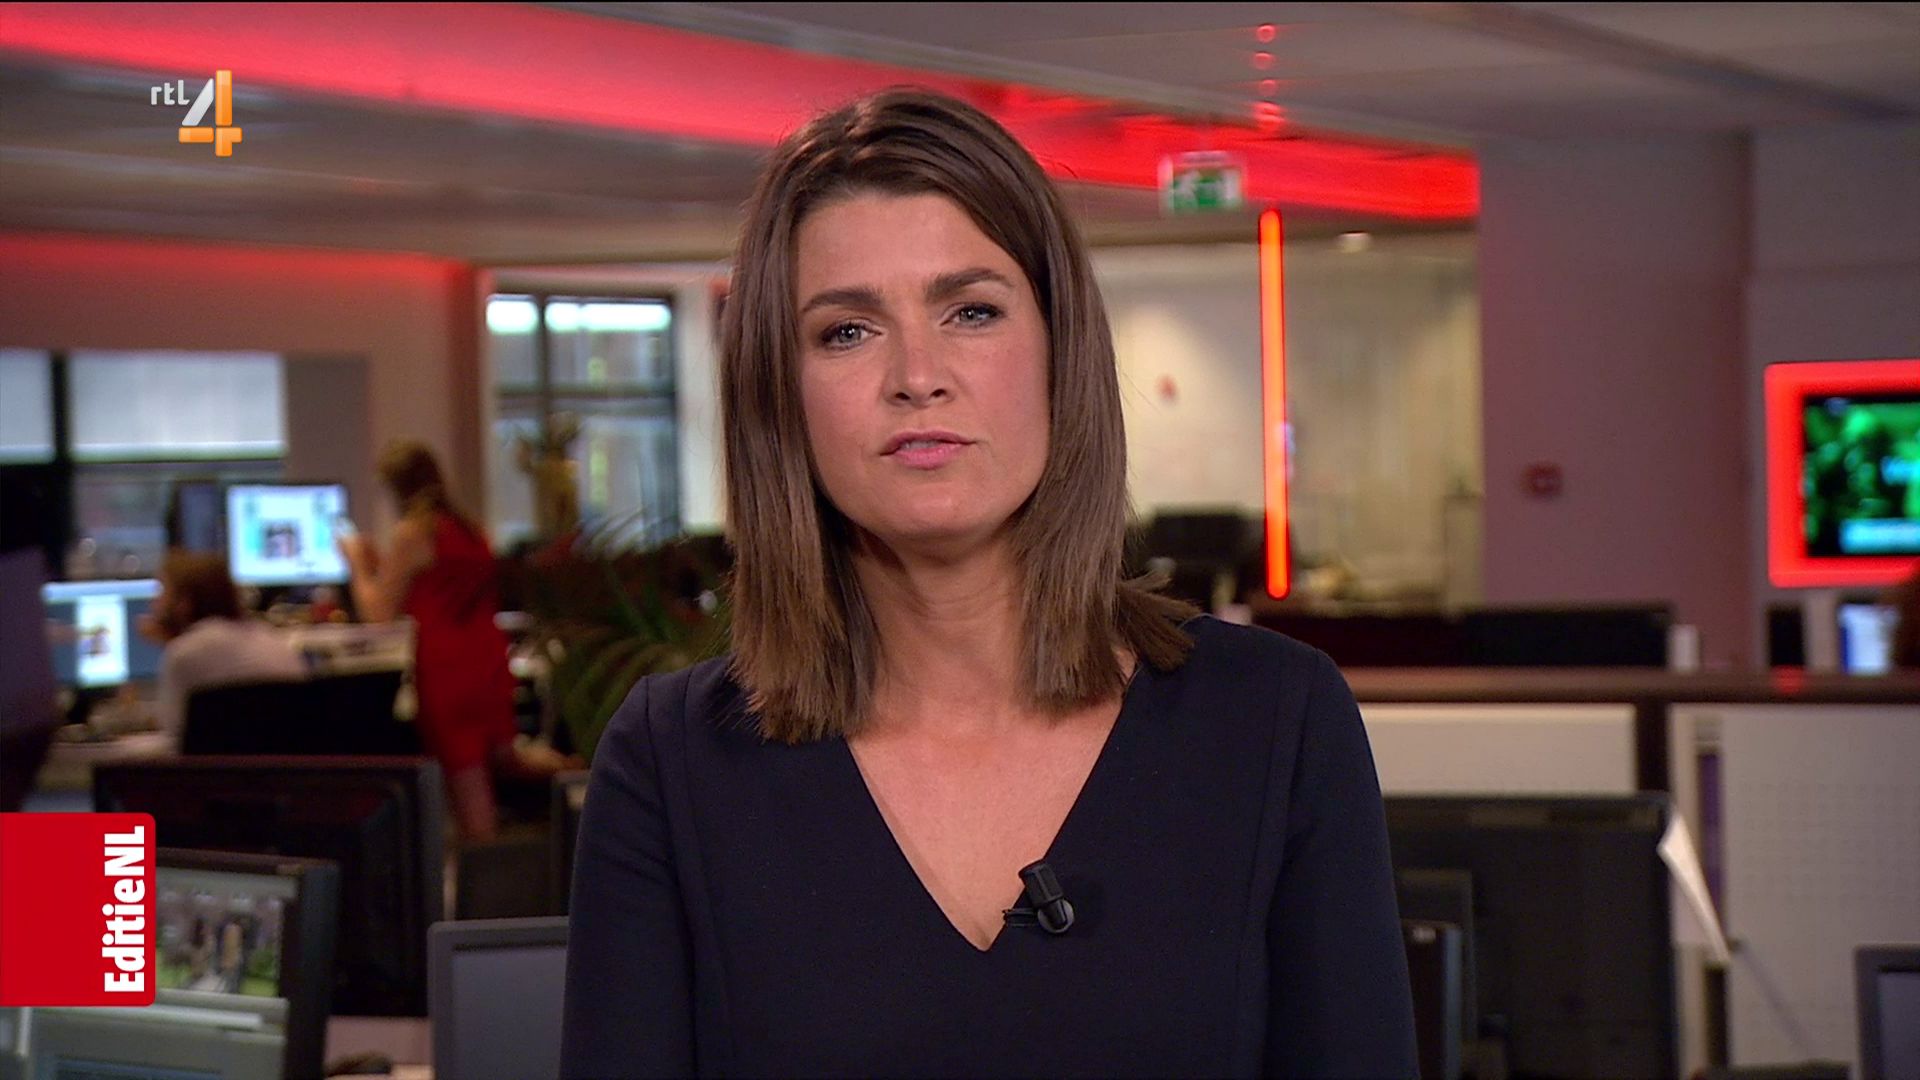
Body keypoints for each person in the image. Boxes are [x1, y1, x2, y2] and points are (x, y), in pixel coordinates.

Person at [561, 89, 1416, 1078]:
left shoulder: (1275, 719)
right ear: (779, 394)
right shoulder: (672, 762)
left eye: (971, 312)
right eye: (847, 331)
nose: (917, 375)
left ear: (1059, 351)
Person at [341, 441, 577, 842]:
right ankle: (582, 776)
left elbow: (378, 612)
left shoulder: (414, 533)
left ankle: (483, 871)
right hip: (488, 659)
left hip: (447, 670)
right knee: (506, 758)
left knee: (469, 788)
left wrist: (357, 564)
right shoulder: (468, 529)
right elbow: (439, 587)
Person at [148, 551, 306, 749]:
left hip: (215, 767)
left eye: (162, 593)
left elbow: (175, 738)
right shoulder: (273, 639)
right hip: (285, 764)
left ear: (184, 602)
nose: (153, 603)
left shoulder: (183, 653)